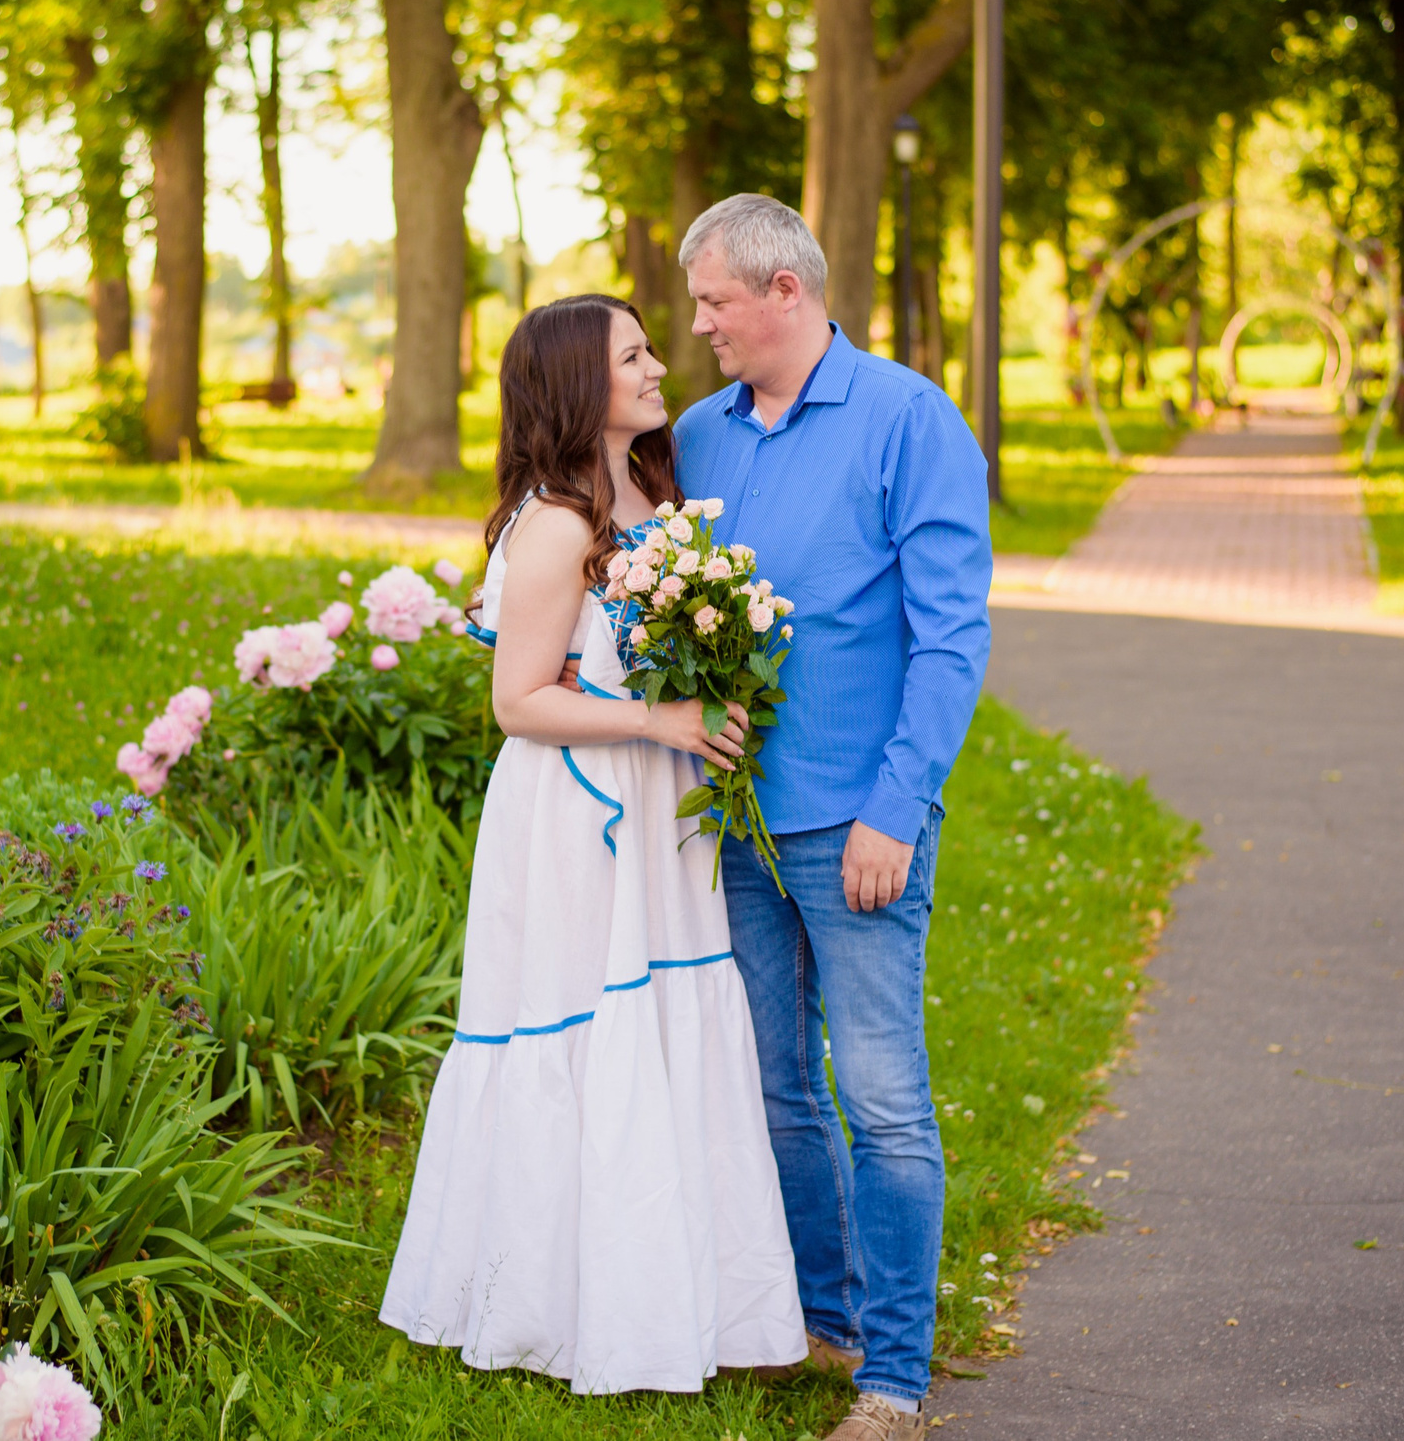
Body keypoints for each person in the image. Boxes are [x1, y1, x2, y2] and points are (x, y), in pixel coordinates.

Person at [380, 294, 806, 1394]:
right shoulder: (557, 523)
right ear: (580, 383)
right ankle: (560, 1307)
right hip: (578, 813)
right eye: (633, 353)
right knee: (586, 1028)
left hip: (657, 806)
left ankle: (693, 1305)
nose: (661, 364)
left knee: (668, 1022)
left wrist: (713, 691)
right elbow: (518, 699)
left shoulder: (654, 492)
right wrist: (656, 719)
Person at [671, 195, 993, 1441]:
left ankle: (895, 1379)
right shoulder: (699, 433)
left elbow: (951, 636)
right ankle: (826, 1314)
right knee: (773, 1086)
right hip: (732, 825)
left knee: (882, 1097)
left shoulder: (908, 419)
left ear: (784, 291)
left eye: (713, 301)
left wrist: (894, 809)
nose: (697, 323)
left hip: (855, 823)